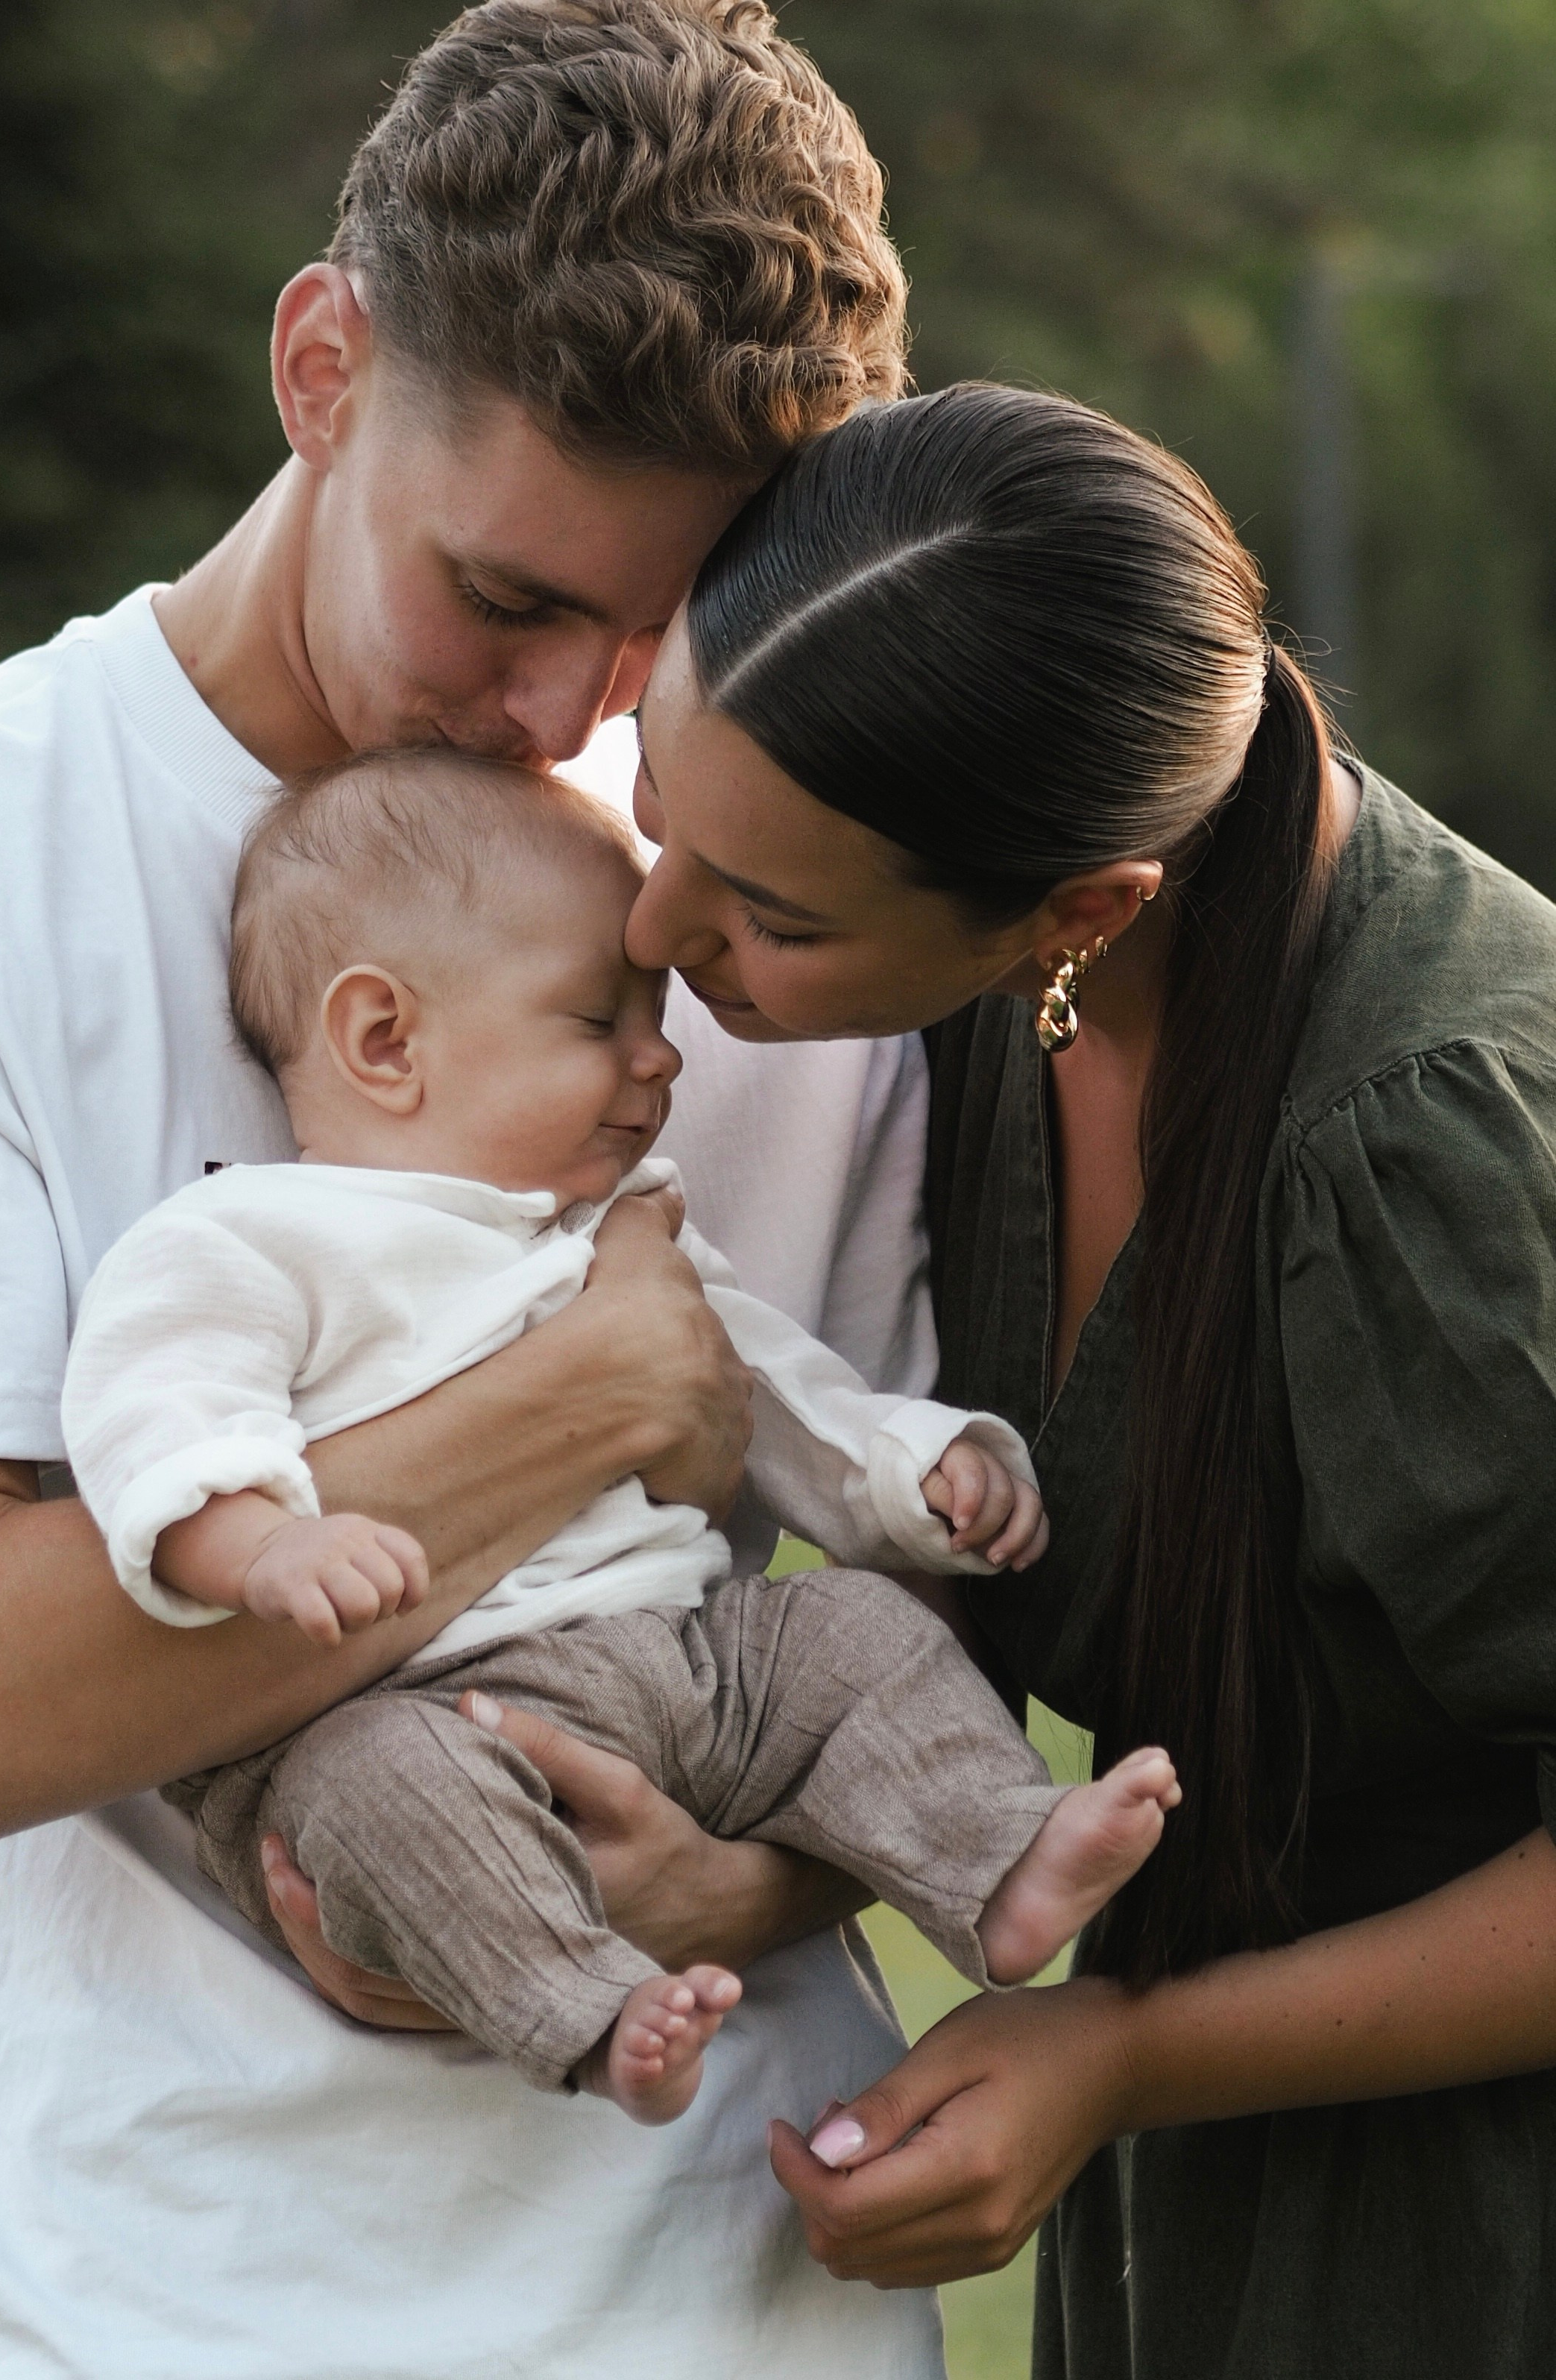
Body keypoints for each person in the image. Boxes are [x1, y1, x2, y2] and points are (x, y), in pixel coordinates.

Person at [0, 7, 957, 2373]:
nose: (577, 712)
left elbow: (966, 1618)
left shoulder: (792, 893)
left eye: (669, 621)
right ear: (321, 366)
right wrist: (599, 1392)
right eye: (510, 595)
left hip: (732, 2291)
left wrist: (734, 1865)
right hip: (155, 2316)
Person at [622, 380, 1556, 2379]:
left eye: (768, 917)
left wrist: (1123, 2054)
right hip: (1189, 2179)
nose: (654, 928)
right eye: (653, 801)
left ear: (1086, 910)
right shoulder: (983, 1013)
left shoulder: (1437, 1150)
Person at [61, 747, 1179, 2119]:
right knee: (375, 1792)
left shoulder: (622, 1228)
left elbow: (776, 1390)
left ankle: (1000, 1863)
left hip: (681, 1671)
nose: (658, 1057)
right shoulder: (250, 1237)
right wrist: (259, 1550)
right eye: (600, 1018)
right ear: (383, 1039)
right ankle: (592, 2011)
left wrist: (913, 1470)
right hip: (412, 1708)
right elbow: (155, 1411)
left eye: (653, 1018)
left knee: (857, 1637)